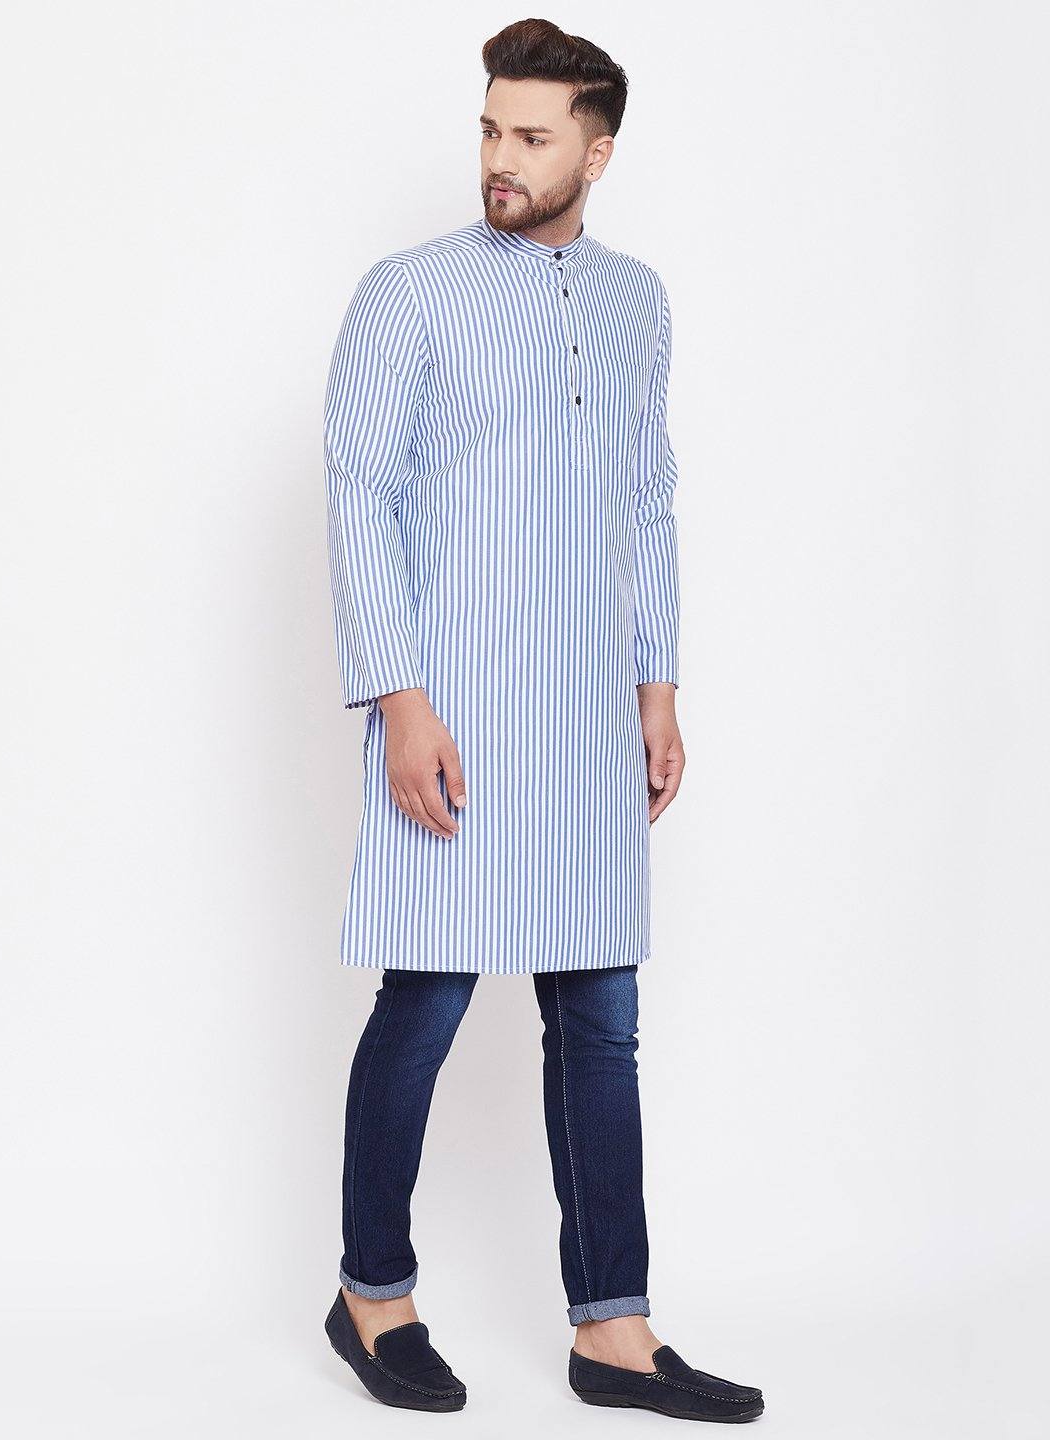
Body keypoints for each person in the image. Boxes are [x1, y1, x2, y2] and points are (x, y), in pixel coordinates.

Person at [320, 18, 764, 1422]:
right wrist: (399, 700)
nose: (500, 159)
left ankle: (612, 1332)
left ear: (597, 150)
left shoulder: (637, 298)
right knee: (427, 1001)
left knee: (600, 1020)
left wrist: (658, 687)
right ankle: (371, 1295)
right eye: (489, 131)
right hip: (450, 708)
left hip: (590, 721)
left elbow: (649, 498)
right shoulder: (410, 291)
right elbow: (361, 493)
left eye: (532, 135)